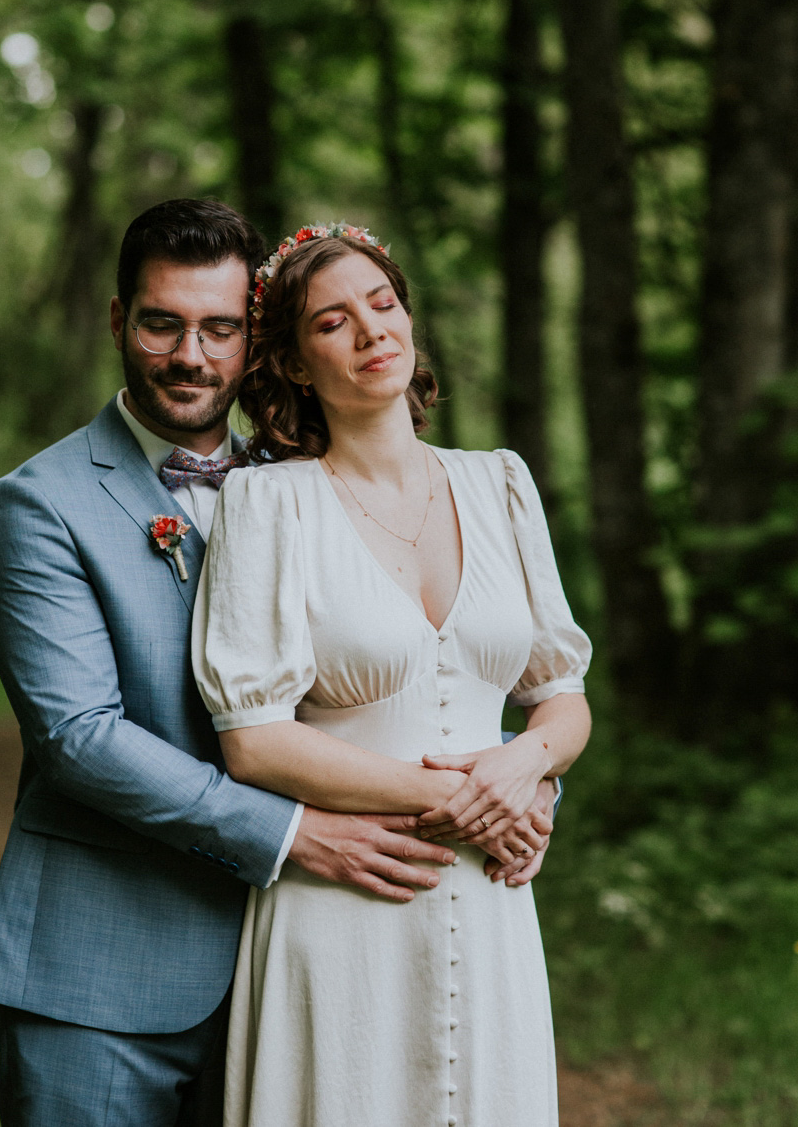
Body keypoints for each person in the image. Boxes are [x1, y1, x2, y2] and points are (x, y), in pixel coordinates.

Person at [0, 199, 461, 1127]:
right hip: (100, 975)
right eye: (162, 323)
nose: (192, 355)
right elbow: (79, 738)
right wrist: (291, 830)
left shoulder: (308, 485)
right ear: (119, 321)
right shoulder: (38, 504)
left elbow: (409, 664)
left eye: (220, 328)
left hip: (297, 965)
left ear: (254, 341)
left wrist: (515, 772)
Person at [192, 222, 592, 1127]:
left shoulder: (501, 485)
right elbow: (253, 740)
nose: (372, 332)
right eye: (332, 322)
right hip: (341, 901)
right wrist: (460, 800)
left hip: (492, 908)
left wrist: (525, 767)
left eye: (383, 304)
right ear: (293, 362)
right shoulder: (267, 505)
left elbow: (561, 696)